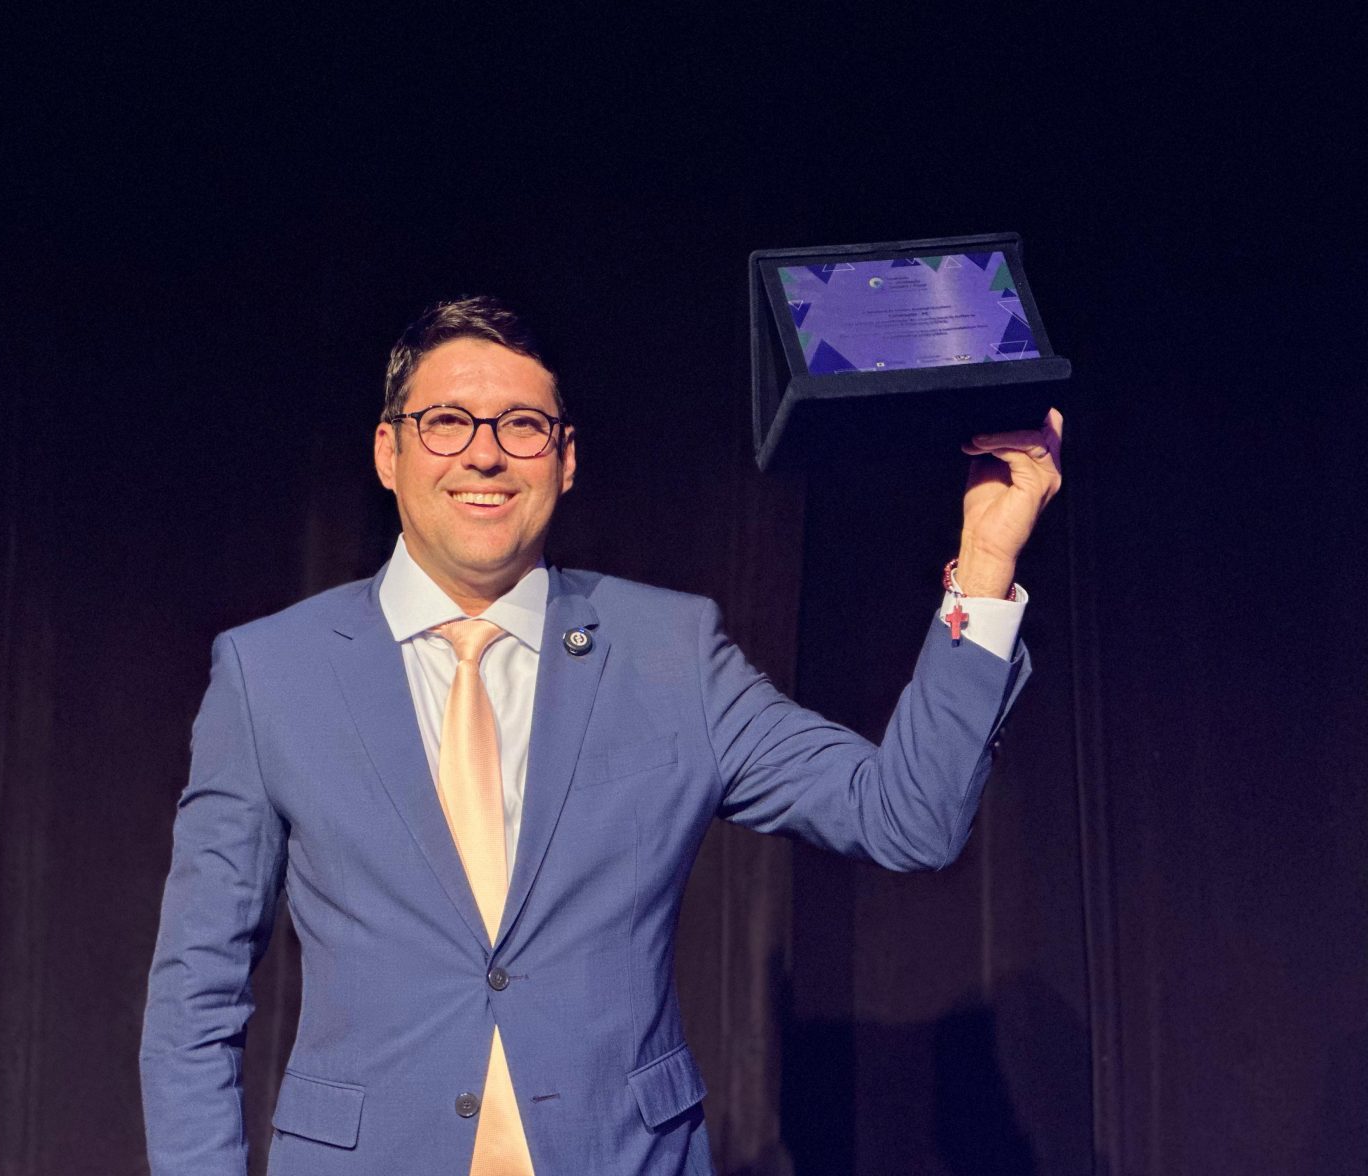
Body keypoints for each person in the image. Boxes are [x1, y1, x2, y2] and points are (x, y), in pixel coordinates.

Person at [139, 296, 1063, 1175]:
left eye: (522, 426)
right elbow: (195, 999)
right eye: (447, 422)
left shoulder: (668, 651)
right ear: (389, 451)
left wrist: (985, 561)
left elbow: (908, 818)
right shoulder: (270, 673)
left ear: (566, 458)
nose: (485, 454)